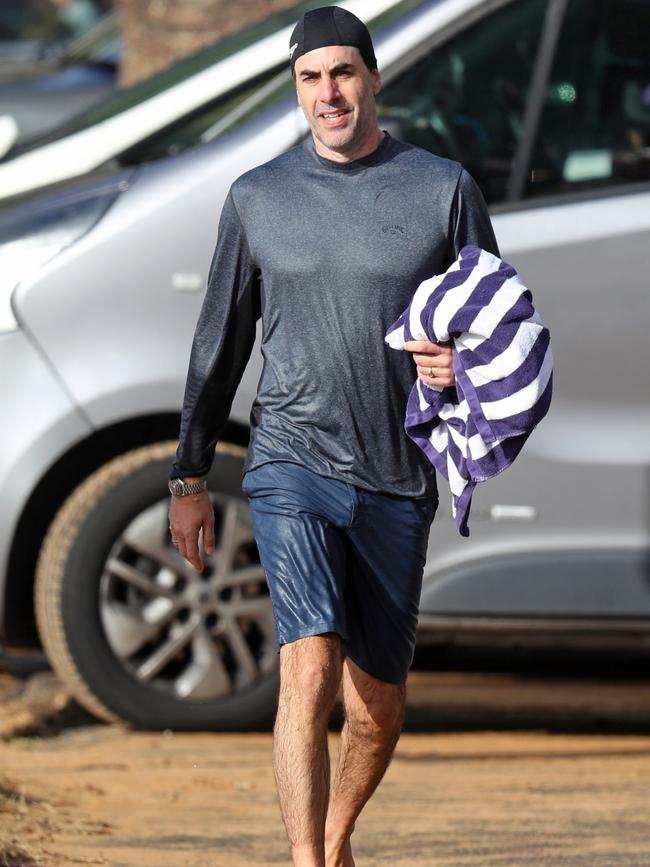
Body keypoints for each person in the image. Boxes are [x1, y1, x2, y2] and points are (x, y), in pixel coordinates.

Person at [168, 7, 498, 865]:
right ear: (296, 88)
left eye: (344, 73)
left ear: (375, 78)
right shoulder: (258, 197)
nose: (330, 93)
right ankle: (307, 860)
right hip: (291, 459)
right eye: (312, 78)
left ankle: (337, 833)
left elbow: (495, 328)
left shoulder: (443, 189)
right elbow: (220, 343)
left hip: (397, 472)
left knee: (377, 704)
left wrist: (455, 370)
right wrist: (188, 475)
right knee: (307, 659)